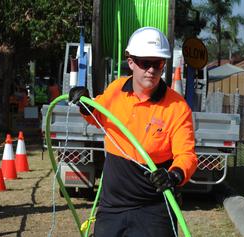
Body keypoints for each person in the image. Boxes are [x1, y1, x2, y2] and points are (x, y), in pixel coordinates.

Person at [69, 27, 198, 237]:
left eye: (158, 63)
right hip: (112, 207)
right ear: (131, 63)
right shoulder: (116, 90)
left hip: (154, 209)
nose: (152, 70)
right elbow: (98, 115)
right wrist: (86, 104)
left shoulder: (177, 107)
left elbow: (186, 155)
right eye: (145, 63)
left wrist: (174, 175)